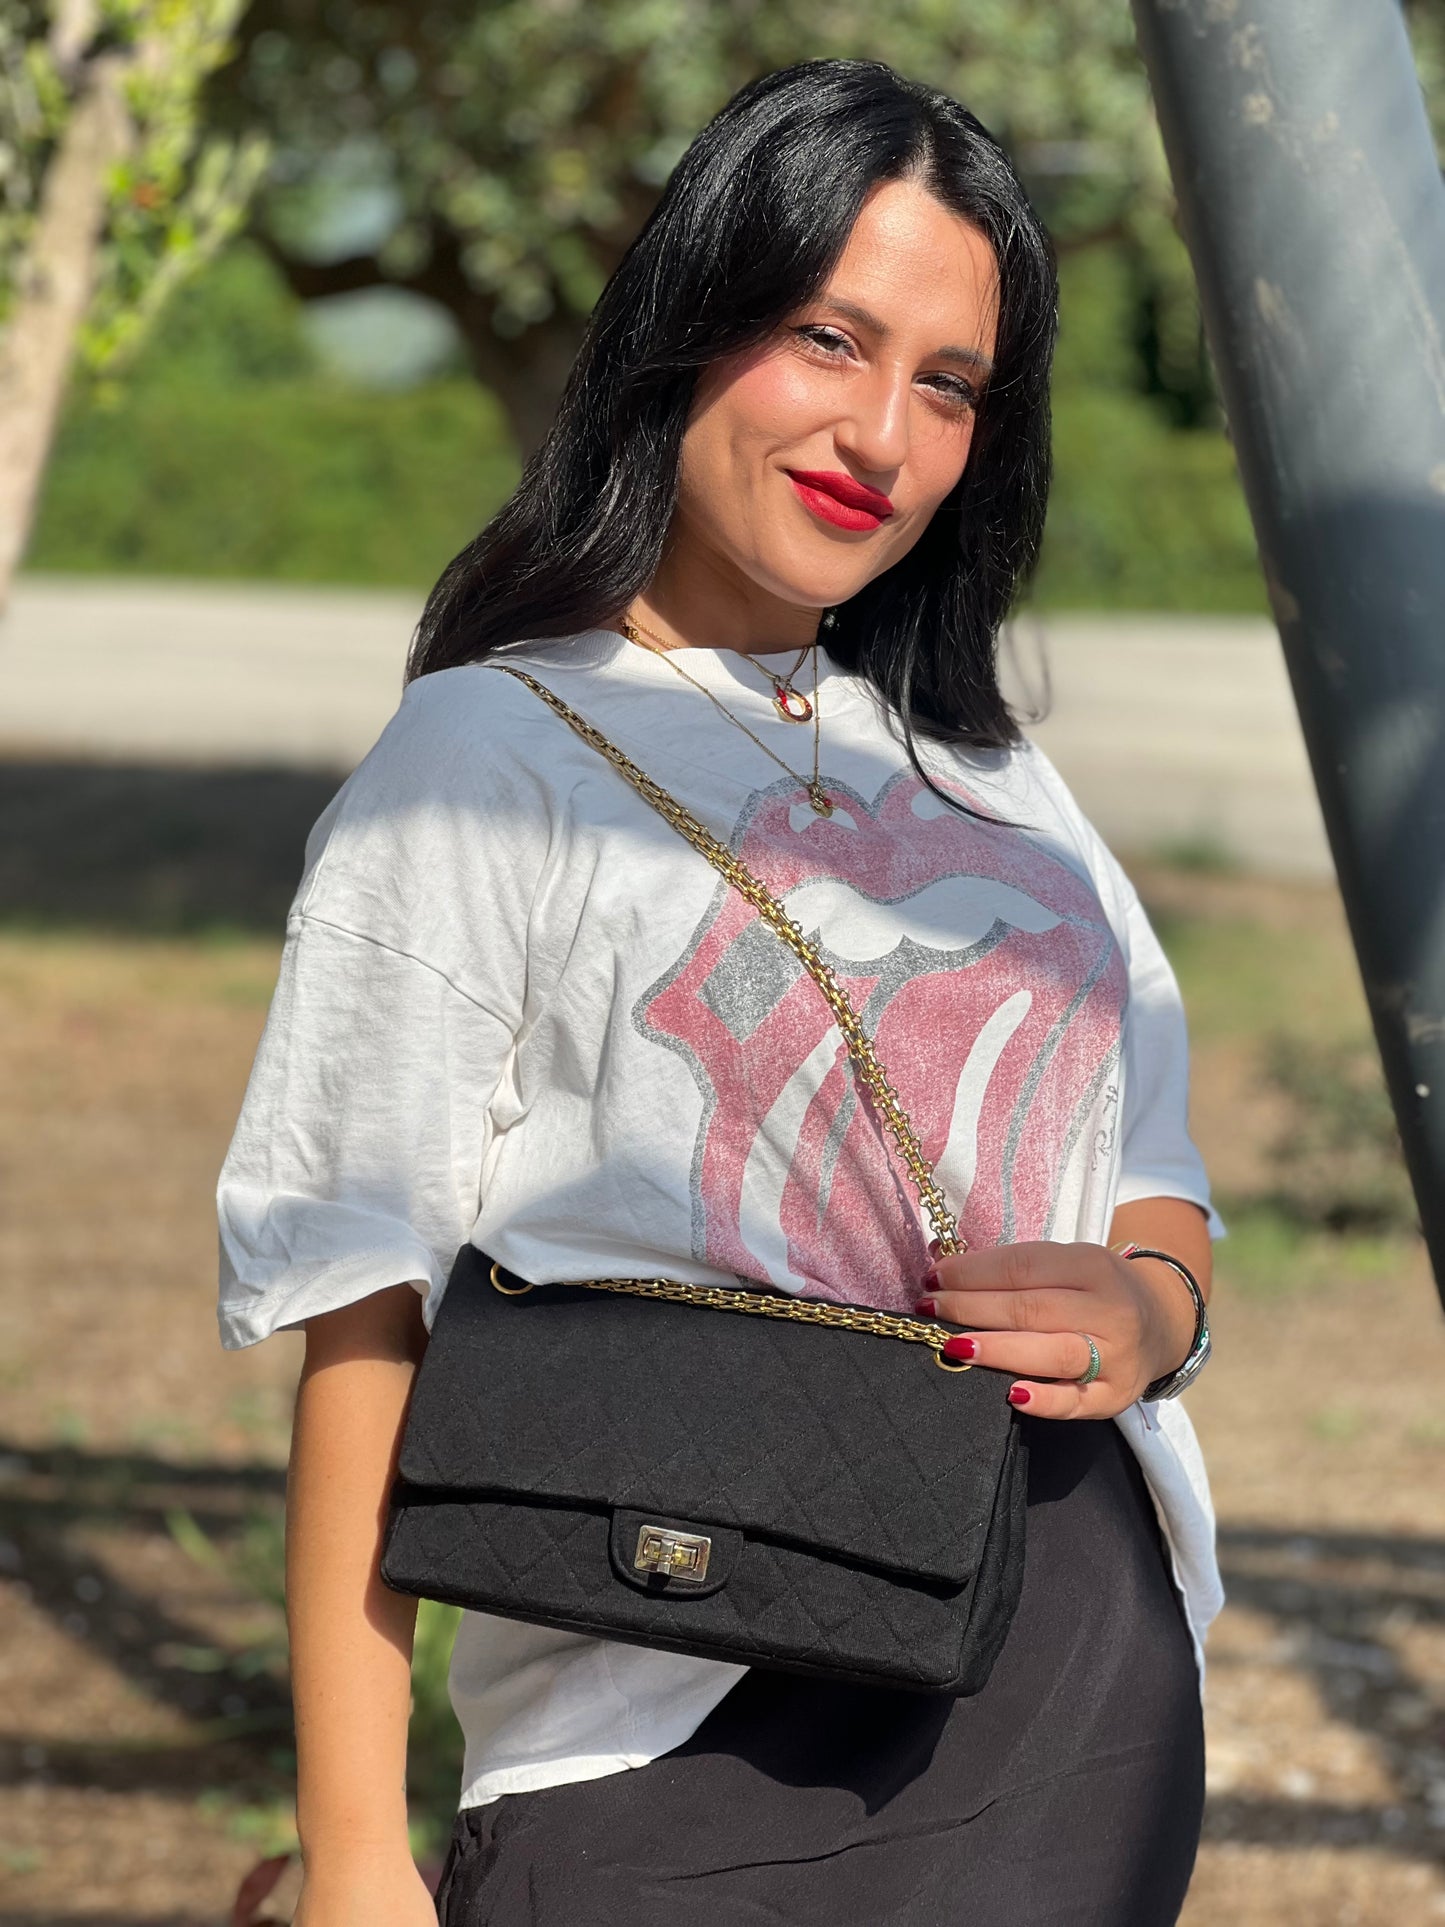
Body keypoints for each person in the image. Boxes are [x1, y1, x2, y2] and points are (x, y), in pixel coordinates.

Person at [217, 58, 1224, 1927]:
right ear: (693, 317)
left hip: (1079, 1723)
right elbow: (363, 1308)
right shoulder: (486, 754)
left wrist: (1151, 1305)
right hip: (685, 1748)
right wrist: (356, 1855)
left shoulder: (996, 779)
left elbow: (1153, 1172)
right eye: (827, 339)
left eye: (948, 384)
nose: (882, 435)